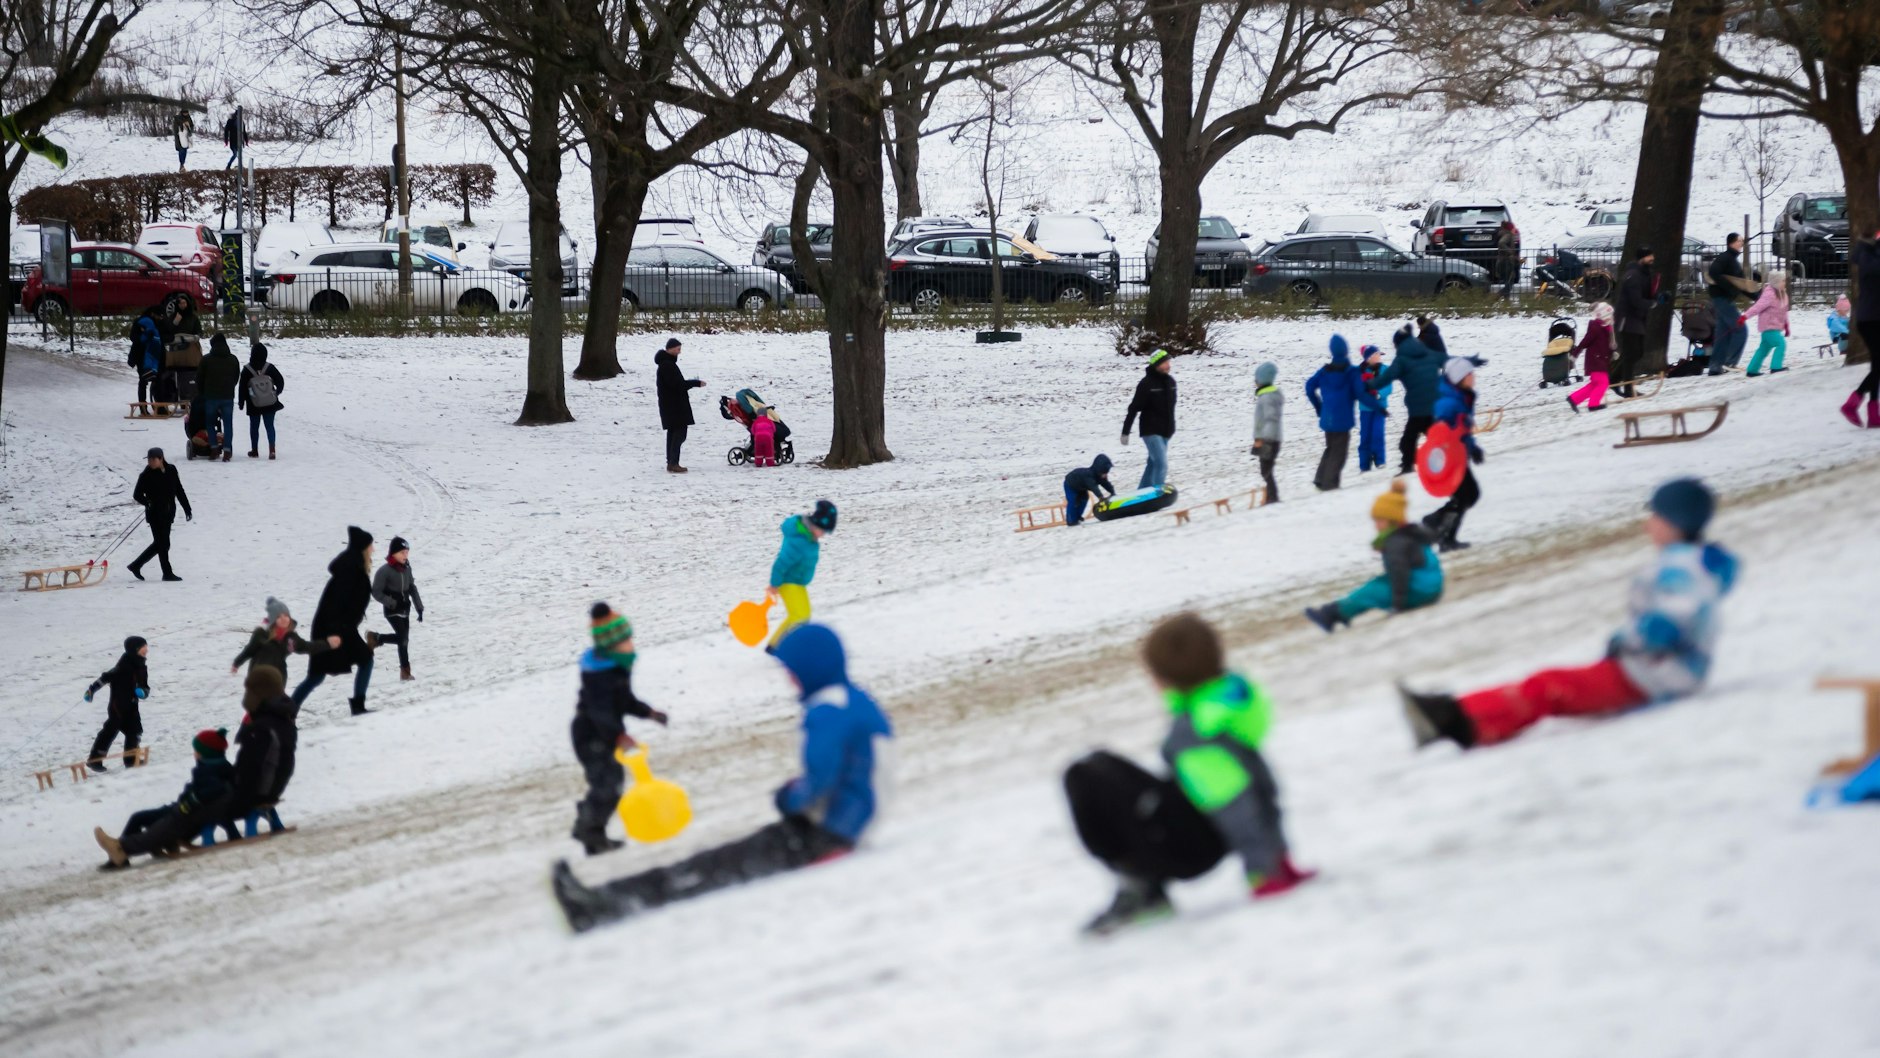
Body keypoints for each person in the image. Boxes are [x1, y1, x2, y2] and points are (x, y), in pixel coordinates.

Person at [550, 623, 893, 931]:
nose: (789, 678)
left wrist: (789, 798)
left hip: (826, 836)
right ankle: (603, 899)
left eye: (791, 670)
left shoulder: (828, 712)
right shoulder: (853, 700)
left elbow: (820, 779)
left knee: (709, 869)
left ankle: (602, 907)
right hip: (839, 829)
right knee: (716, 863)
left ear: (810, 667)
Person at [1400, 479, 1737, 750]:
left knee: (1549, 688)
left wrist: (1626, 640)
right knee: (1551, 686)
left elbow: (1670, 623)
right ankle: (1459, 716)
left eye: (1656, 516)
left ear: (1676, 522)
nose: (1649, 524)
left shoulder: (1684, 568)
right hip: (1655, 669)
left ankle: (1455, 720)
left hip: (1657, 674)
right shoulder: (1690, 563)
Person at [1065, 612, 1313, 936]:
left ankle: (1142, 888)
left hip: (1190, 847)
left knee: (1084, 776)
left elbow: (1237, 804)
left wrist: (1264, 872)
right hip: (1199, 829)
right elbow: (1259, 790)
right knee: (1097, 763)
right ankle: (1141, 885)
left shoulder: (1197, 734)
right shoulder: (1220, 703)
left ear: (1164, 675)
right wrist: (1280, 859)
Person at [569, 603, 670, 856]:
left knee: (609, 784)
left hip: (602, 734)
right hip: (590, 734)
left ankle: (593, 836)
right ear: (611, 645)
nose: (631, 644)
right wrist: (618, 735)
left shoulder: (615, 668)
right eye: (626, 640)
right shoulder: (600, 675)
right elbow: (599, 711)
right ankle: (587, 828)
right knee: (608, 786)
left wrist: (649, 713)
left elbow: (624, 701)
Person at [1303, 480, 1443, 631]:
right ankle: (1333, 611)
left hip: (1420, 589)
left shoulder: (1395, 542)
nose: (1376, 525)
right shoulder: (1410, 533)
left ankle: (1332, 614)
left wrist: (1398, 604)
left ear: (1392, 520)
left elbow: (1399, 572)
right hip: (1432, 584)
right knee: (1377, 583)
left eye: (1379, 520)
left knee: (1370, 592)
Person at [93, 728, 235, 868]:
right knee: (139, 817)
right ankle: (119, 854)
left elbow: (210, 792)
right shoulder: (214, 767)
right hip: (184, 808)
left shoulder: (210, 771)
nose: (195, 754)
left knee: (141, 819)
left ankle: (120, 852)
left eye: (197, 750)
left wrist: (187, 803)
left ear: (206, 753)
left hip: (186, 811)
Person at [293, 526, 379, 716]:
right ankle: (283, 714)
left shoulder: (354, 568)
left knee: (364, 660)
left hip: (341, 628)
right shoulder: (350, 571)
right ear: (363, 548)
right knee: (316, 676)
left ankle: (358, 705)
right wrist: (334, 633)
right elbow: (335, 604)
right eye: (371, 546)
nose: (373, 549)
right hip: (333, 630)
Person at [1421, 356, 1486, 552]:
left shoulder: (1461, 397)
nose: (1473, 377)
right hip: (1451, 459)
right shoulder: (1449, 403)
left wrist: (1472, 447)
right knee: (1468, 494)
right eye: (1469, 374)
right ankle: (1436, 524)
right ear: (1459, 378)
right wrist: (1451, 451)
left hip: (1460, 454)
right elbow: (1441, 433)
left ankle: (1444, 534)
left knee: (1467, 496)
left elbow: (1463, 428)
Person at [1304, 335, 1382, 491]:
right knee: (1339, 453)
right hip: (1343, 419)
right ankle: (1330, 485)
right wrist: (1377, 406)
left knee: (1330, 447)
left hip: (1327, 417)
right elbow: (1360, 394)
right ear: (1346, 351)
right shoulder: (1351, 372)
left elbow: (1309, 387)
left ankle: (1320, 479)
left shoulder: (1324, 371)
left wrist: (1319, 406)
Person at [227, 665, 300, 824]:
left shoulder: (261, 728)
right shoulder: (284, 719)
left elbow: (250, 767)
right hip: (273, 787)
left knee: (200, 805)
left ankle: (167, 835)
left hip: (253, 794)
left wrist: (231, 781)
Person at [1373, 324, 1443, 476]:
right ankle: (1446, 455)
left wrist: (1368, 385)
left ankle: (1408, 466)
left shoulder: (1403, 359)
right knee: (1430, 436)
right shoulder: (1424, 351)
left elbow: (1386, 378)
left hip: (1420, 407)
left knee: (1408, 440)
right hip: (1431, 403)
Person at [767, 500, 837, 650]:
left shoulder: (808, 538)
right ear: (815, 525)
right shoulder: (799, 542)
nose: (823, 535)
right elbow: (781, 563)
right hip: (788, 582)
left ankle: (782, 644)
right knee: (798, 616)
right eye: (823, 531)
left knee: (803, 616)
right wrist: (774, 584)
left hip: (798, 583)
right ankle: (776, 646)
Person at [84, 636, 150, 772]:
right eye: (143, 647)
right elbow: (105, 677)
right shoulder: (123, 666)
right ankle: (94, 760)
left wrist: (143, 692)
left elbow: (145, 686)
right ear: (135, 649)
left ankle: (131, 761)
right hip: (118, 706)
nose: (146, 649)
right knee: (110, 731)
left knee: (135, 732)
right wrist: (91, 690)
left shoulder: (142, 667)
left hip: (132, 706)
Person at [231, 597, 336, 681]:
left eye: (286, 616)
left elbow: (307, 647)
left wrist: (327, 644)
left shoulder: (291, 638)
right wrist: (237, 663)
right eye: (279, 617)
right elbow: (249, 651)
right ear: (273, 620)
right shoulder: (261, 634)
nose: (284, 619)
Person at [128, 447, 191, 581]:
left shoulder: (171, 470)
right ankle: (166, 573)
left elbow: (179, 490)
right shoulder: (145, 475)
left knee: (162, 544)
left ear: (161, 459)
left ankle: (136, 565)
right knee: (162, 544)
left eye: (153, 460)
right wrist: (147, 502)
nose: (150, 463)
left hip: (168, 513)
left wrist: (187, 509)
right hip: (154, 515)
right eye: (149, 460)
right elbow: (137, 494)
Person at [1121, 348, 1177, 491]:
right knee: (1161, 464)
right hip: (1150, 430)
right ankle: (1157, 493)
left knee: (1152, 463)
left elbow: (1170, 409)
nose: (1168, 365)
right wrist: (1125, 431)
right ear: (1157, 365)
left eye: (1168, 362)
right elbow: (1133, 408)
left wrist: (1171, 428)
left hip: (1165, 431)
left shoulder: (1171, 382)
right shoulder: (1146, 384)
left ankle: (1142, 492)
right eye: (1165, 362)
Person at [1840, 231, 1880, 428]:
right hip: (1872, 319)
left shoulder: (1870, 254)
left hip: (1871, 317)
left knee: (1877, 366)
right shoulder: (1869, 256)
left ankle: (1873, 413)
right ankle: (1853, 402)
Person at [371, 536, 424, 681]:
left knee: (404, 641)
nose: (405, 555)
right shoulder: (384, 571)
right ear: (393, 553)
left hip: (406, 610)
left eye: (407, 552)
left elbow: (412, 588)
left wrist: (419, 607)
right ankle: (377, 639)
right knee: (403, 638)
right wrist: (391, 602)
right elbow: (376, 591)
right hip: (392, 611)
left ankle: (404, 672)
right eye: (402, 553)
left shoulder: (407, 569)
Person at [1705, 233, 1757, 375]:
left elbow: (1742, 285)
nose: (1742, 243)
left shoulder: (1733, 262)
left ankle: (1715, 366)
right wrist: (1729, 288)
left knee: (1723, 334)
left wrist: (1758, 297)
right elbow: (1714, 272)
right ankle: (1730, 362)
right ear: (1731, 243)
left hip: (1724, 300)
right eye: (1739, 241)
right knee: (1741, 330)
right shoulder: (1724, 258)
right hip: (1721, 299)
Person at [1613, 246, 1661, 397]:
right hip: (1627, 319)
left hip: (1636, 318)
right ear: (1642, 259)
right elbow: (1636, 300)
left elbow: (1646, 295)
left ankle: (1614, 379)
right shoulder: (1633, 275)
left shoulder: (1644, 274)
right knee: (1631, 353)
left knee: (1637, 353)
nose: (1652, 260)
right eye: (1649, 258)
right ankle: (1628, 388)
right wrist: (1652, 303)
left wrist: (1658, 297)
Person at [655, 337, 703, 473]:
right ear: (669, 349)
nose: (679, 352)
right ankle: (673, 462)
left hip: (671, 405)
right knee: (679, 433)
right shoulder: (667, 365)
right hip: (674, 405)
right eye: (678, 349)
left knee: (673, 432)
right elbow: (678, 385)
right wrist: (695, 383)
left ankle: (671, 461)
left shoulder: (666, 364)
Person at [197, 332, 241, 461]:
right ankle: (227, 450)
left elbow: (199, 378)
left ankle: (214, 448)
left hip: (211, 396)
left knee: (210, 423)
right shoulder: (233, 359)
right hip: (228, 396)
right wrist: (230, 387)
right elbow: (236, 377)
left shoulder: (206, 359)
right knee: (228, 424)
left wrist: (202, 393)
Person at [1566, 302, 1616, 412]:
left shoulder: (1607, 329)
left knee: (1596, 384)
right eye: (1610, 315)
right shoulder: (1596, 328)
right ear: (1603, 316)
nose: (1612, 318)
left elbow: (1608, 345)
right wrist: (1574, 355)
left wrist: (1613, 352)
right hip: (1595, 360)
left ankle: (1574, 398)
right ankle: (1593, 404)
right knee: (1603, 382)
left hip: (1601, 359)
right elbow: (1585, 342)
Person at [239, 342, 284, 459]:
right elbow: (280, 381)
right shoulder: (269, 367)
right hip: (270, 402)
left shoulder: (247, 370)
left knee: (254, 427)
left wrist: (241, 402)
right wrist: (276, 392)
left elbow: (242, 387)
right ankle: (272, 450)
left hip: (253, 403)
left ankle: (254, 450)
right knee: (270, 426)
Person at [1742, 268, 1790, 377]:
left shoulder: (1783, 295)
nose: (1784, 283)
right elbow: (1757, 307)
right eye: (1782, 281)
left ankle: (1752, 370)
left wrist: (1786, 325)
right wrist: (1745, 317)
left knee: (1763, 349)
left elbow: (1784, 311)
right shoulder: (1770, 294)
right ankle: (1776, 367)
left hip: (1775, 327)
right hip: (1768, 327)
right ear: (1776, 283)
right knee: (1781, 344)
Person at [1251, 361, 1283, 503]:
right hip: (1269, 438)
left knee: (1266, 470)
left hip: (1269, 439)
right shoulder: (1266, 396)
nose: (1255, 382)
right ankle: (1271, 496)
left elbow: (1270, 419)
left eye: (1256, 379)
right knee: (1266, 470)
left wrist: (1262, 439)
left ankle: (1272, 497)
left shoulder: (1267, 398)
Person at [1357, 344, 1391, 472]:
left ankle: (1380, 460)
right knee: (1365, 436)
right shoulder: (1360, 371)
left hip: (1380, 408)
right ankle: (1364, 464)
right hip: (1365, 409)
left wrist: (1379, 393)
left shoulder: (1384, 370)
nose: (1379, 357)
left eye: (1379, 355)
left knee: (1378, 433)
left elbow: (1388, 387)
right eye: (1377, 355)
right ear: (1369, 358)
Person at [1063, 454, 1115, 527]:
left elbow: (1105, 484)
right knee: (1073, 500)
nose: (1106, 475)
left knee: (1084, 498)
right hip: (1070, 484)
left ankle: (1078, 516)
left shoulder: (1100, 476)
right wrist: (1100, 497)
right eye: (1105, 473)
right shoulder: (1089, 475)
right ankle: (1070, 521)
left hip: (1081, 487)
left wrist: (1112, 492)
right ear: (1099, 470)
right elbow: (1094, 487)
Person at [131, 308, 164, 410]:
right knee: (143, 380)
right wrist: (145, 336)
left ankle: (159, 406)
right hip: (142, 355)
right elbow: (133, 338)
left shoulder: (159, 323)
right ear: (153, 314)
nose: (161, 318)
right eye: (159, 316)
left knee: (157, 380)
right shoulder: (140, 322)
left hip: (155, 355)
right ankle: (143, 407)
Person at [1495, 221, 1520, 299]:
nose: (1514, 229)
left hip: (1503, 261)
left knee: (1507, 282)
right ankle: (1496, 296)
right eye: (1513, 228)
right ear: (1510, 228)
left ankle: (1506, 302)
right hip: (1506, 262)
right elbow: (1501, 243)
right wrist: (1511, 252)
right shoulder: (1508, 235)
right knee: (1510, 282)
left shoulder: (1504, 234)